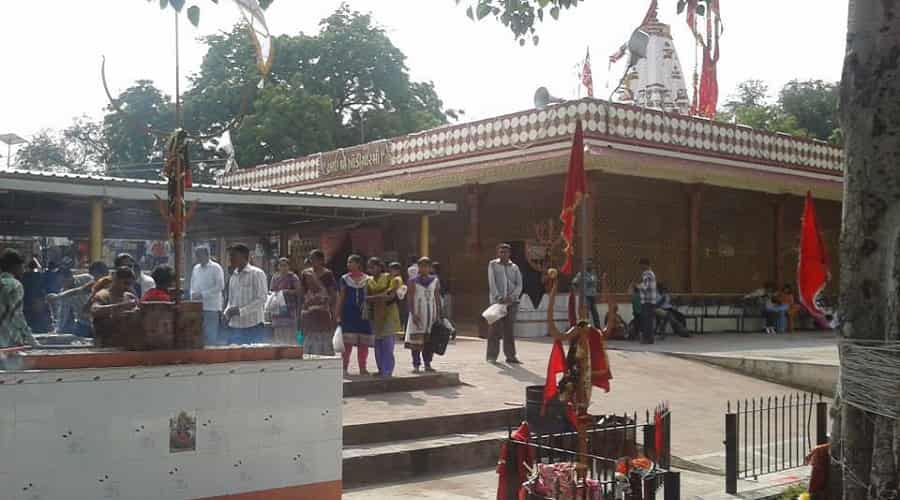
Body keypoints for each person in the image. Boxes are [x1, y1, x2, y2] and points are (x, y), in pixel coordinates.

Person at [47, 261, 108, 338]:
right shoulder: (64, 292)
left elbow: (80, 291)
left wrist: (58, 296)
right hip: (83, 323)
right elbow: (63, 314)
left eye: (64, 280)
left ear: (71, 277)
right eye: (61, 282)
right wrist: (57, 331)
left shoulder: (86, 278)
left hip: (98, 319)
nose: (63, 284)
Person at [224, 243, 269, 344]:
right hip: (235, 326)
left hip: (253, 326)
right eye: (230, 256)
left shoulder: (257, 273)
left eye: (233, 256)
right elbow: (231, 300)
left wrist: (241, 311)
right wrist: (226, 312)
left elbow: (262, 299)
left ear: (243, 256)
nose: (230, 259)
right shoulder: (233, 276)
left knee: (253, 358)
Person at [336, 254, 372, 376]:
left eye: (350, 262)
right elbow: (341, 297)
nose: (348, 265)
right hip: (348, 313)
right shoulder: (344, 279)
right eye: (348, 262)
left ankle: (363, 367)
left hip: (364, 314)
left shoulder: (368, 279)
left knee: (364, 342)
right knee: (347, 342)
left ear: (358, 264)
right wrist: (337, 313)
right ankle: (344, 367)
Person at [487, 243, 523, 364]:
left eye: (506, 252)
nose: (503, 254)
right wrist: (498, 297)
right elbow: (492, 282)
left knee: (509, 331)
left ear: (509, 253)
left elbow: (519, 284)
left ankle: (511, 356)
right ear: (498, 253)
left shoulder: (515, 267)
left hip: (512, 303)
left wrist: (512, 297)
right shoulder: (492, 265)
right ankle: (492, 356)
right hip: (497, 303)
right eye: (501, 252)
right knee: (494, 330)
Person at [367, 257, 401, 377]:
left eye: (374, 266)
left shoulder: (389, 277)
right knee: (378, 344)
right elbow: (365, 297)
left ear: (380, 266)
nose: (372, 269)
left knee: (387, 344)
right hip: (375, 315)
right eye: (369, 267)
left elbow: (391, 296)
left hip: (389, 314)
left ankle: (387, 370)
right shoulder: (368, 280)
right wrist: (381, 296)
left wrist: (375, 298)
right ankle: (380, 369)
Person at [405, 257, 440, 373]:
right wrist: (413, 313)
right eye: (421, 266)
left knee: (429, 341)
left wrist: (439, 313)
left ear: (430, 267)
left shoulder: (435, 280)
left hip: (431, 314)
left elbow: (436, 297)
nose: (424, 268)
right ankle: (416, 364)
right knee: (416, 341)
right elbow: (409, 297)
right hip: (418, 313)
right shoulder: (412, 281)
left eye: (426, 266)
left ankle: (428, 364)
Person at [299, 249, 338, 356]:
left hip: (323, 312)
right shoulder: (305, 273)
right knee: (309, 337)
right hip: (309, 311)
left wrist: (333, 312)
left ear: (321, 260)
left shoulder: (328, 274)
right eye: (310, 259)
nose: (312, 261)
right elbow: (302, 293)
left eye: (314, 259)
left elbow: (333, 294)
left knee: (324, 337)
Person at [190, 246, 225, 345]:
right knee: (198, 334)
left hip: (211, 307)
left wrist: (202, 294)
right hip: (197, 306)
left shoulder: (216, 267)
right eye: (196, 256)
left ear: (207, 255)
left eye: (199, 256)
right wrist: (192, 294)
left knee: (210, 335)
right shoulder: (196, 268)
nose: (197, 258)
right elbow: (192, 284)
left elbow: (220, 286)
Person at [89, 266, 140, 335]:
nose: (128, 287)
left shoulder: (130, 296)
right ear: (116, 280)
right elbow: (94, 310)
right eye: (125, 283)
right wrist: (122, 306)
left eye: (130, 284)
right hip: (106, 341)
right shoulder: (103, 295)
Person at [0, 249, 35, 348]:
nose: (23, 270)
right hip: (9, 341)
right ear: (15, 267)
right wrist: (32, 340)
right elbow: (17, 315)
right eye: (22, 266)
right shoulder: (15, 285)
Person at [270, 257, 301, 345]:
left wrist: (287, 292)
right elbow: (271, 291)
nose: (283, 268)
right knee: (279, 335)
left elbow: (298, 291)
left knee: (290, 336)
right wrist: (277, 294)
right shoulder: (275, 277)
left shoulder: (293, 277)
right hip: (278, 311)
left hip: (290, 310)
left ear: (289, 266)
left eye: (285, 265)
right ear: (278, 267)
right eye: (281, 265)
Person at [631, 257, 658, 345]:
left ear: (645, 265)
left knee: (646, 321)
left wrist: (637, 286)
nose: (641, 268)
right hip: (652, 300)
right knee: (649, 320)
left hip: (647, 300)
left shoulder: (646, 273)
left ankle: (647, 339)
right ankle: (650, 339)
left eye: (641, 265)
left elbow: (645, 287)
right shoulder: (652, 273)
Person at [22, 257, 51, 333]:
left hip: (27, 302)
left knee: (30, 323)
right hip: (38, 300)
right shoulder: (40, 275)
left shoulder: (24, 276)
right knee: (39, 321)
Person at [572, 260, 601, 328]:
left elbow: (596, 284)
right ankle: (586, 328)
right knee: (586, 313)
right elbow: (574, 282)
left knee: (595, 313)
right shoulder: (581, 274)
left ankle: (598, 328)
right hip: (586, 296)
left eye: (591, 264)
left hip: (593, 296)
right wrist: (577, 291)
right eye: (588, 264)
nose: (590, 265)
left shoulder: (593, 274)